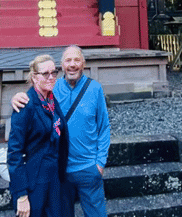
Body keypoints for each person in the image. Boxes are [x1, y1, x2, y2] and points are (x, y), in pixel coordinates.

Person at [11, 46, 111, 217]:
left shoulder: (94, 89)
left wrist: (100, 163)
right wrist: (16, 97)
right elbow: (34, 97)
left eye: (77, 60)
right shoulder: (53, 89)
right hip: (60, 172)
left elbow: (104, 127)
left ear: (84, 64)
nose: (72, 65)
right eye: (68, 61)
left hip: (87, 167)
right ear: (62, 65)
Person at [7, 54, 68, 217]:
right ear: (34, 77)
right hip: (34, 180)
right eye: (45, 73)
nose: (51, 77)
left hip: (54, 177)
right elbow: (14, 153)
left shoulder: (51, 99)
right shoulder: (25, 104)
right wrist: (21, 195)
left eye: (54, 73)